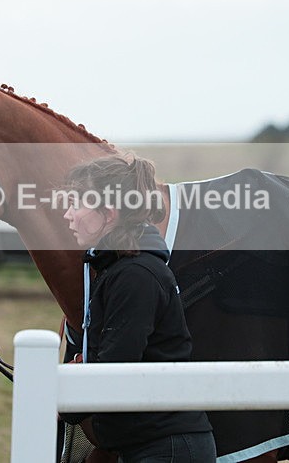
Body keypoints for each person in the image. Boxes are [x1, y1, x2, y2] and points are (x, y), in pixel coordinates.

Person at [60, 155, 216, 462]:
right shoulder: (123, 270)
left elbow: (115, 369)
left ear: (108, 214)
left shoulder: (135, 276)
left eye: (76, 204)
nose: (67, 214)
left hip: (166, 449)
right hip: (154, 444)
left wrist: (62, 401)